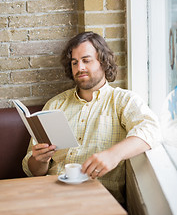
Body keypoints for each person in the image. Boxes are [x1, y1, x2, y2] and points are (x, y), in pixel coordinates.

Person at [22, 31, 160, 205]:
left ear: (103, 61)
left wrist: (113, 155)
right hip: (49, 198)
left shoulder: (123, 101)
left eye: (86, 60)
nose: (79, 68)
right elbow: (34, 171)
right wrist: (40, 160)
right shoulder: (55, 105)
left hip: (96, 203)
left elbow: (152, 129)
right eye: (74, 62)